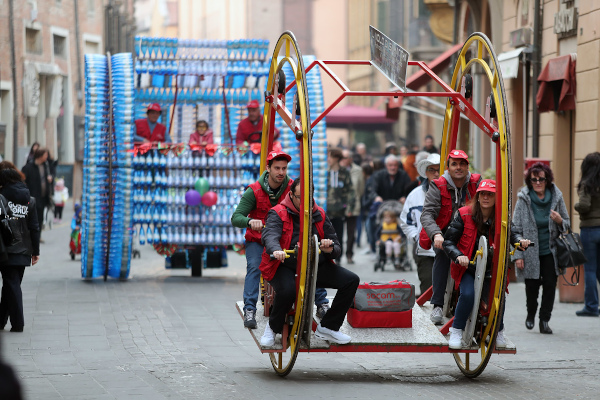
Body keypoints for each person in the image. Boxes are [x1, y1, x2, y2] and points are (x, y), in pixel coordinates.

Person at [231, 151, 328, 328]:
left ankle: (321, 303)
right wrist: (249, 221)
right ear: (268, 168)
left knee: (309, 260)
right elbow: (236, 217)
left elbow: (311, 208)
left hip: (284, 241)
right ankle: (250, 309)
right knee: (254, 266)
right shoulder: (253, 191)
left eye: (284, 168)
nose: (281, 172)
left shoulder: (293, 188)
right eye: (277, 168)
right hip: (259, 241)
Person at [259, 178, 360, 346]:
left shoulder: (319, 213)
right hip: (284, 264)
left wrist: (329, 248)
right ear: (291, 195)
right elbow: (270, 235)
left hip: (314, 265)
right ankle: (272, 328)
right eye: (300, 198)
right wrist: (276, 250)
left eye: (309, 197)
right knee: (287, 291)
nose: (305, 202)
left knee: (351, 280)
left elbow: (336, 244)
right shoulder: (278, 212)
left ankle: (328, 326)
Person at [444, 179, 529, 349]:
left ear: (496, 197)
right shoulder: (464, 214)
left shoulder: (501, 217)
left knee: (498, 297)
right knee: (467, 294)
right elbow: (448, 242)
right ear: (477, 196)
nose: (485, 197)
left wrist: (520, 241)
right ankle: (457, 330)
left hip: (491, 267)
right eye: (482, 193)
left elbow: (513, 234)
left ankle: (497, 331)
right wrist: (459, 256)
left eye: (490, 194)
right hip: (467, 267)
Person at [420, 149, 481, 324]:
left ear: (467, 166)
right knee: (442, 253)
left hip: (471, 232)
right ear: (448, 167)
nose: (459, 167)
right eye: (454, 164)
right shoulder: (438, 185)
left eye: (462, 164)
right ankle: (437, 305)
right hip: (446, 234)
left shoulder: (477, 183)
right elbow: (427, 214)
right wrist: (436, 234)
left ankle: (477, 301)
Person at [511, 162, 570, 333]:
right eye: (534, 179)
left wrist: (559, 221)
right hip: (529, 251)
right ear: (529, 181)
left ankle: (544, 320)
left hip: (551, 252)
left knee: (551, 285)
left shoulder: (556, 197)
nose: (537, 182)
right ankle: (531, 314)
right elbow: (515, 228)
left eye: (541, 179)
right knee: (532, 287)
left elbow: (566, 224)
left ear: (547, 180)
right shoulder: (523, 199)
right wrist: (518, 256)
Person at [0, 161, 40, 333]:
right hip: (24, 249)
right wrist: (35, 251)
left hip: (7, 248)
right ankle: (1, 320)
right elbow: (34, 226)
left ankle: (18, 323)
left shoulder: (2, 197)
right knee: (11, 285)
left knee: (11, 284)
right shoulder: (29, 199)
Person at [400, 153, 440, 295]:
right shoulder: (415, 195)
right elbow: (405, 222)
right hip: (424, 252)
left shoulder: (454, 194)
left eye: (439, 170)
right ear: (426, 172)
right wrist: (416, 237)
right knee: (428, 290)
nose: (435, 174)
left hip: (449, 252)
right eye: (432, 170)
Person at [574, 152, 600, 317]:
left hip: (590, 230)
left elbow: (584, 205)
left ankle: (591, 306)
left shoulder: (587, 184)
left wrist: (576, 206)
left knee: (589, 269)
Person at [326, 148, 354, 265]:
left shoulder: (344, 172)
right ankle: (327, 257)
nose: (328, 159)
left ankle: (338, 257)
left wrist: (349, 208)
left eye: (330, 157)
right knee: (326, 234)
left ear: (336, 158)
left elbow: (350, 191)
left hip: (339, 210)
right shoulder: (324, 172)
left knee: (339, 234)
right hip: (326, 209)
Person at [341, 149, 364, 264]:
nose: (343, 160)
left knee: (351, 232)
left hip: (353, 205)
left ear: (350, 159)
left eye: (345, 158)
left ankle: (349, 254)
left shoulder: (358, 170)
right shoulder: (338, 170)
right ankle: (338, 256)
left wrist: (354, 199)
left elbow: (360, 189)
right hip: (339, 205)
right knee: (338, 231)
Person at [22, 148, 51, 239]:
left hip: (42, 197)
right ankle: (30, 236)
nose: (47, 157)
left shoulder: (45, 166)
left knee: (40, 218)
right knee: (31, 218)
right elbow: (23, 181)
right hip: (31, 197)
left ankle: (38, 236)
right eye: (45, 155)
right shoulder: (28, 167)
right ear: (40, 156)